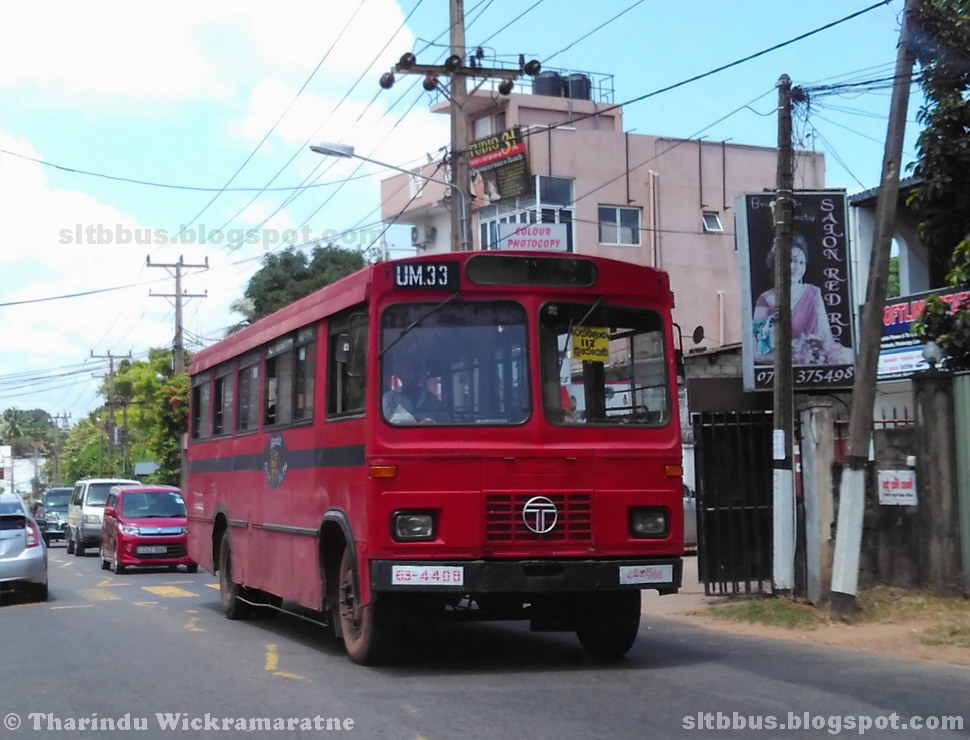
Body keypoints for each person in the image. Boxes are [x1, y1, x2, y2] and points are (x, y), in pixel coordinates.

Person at [752, 234, 851, 366]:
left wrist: (812, 355)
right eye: (791, 260)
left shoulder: (813, 292)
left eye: (801, 262)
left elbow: (826, 338)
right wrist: (797, 357)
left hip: (813, 368)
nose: (796, 267)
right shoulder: (765, 300)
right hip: (779, 373)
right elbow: (758, 354)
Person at [382, 362, 448, 424]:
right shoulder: (389, 398)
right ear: (400, 376)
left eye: (414, 373)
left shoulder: (431, 399)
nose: (411, 377)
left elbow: (445, 420)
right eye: (406, 373)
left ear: (419, 376)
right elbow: (385, 423)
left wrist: (432, 423)